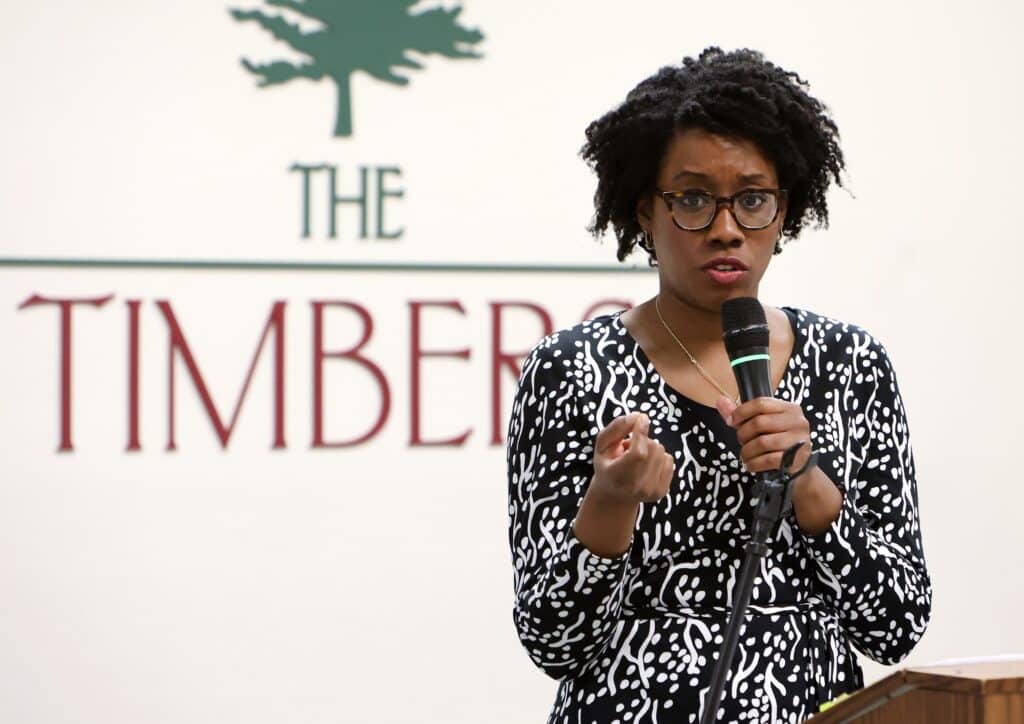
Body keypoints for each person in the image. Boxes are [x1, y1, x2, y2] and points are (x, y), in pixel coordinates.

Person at [505, 47, 932, 723]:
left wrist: (812, 487)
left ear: (786, 209)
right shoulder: (571, 369)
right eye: (694, 198)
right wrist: (611, 503)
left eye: (753, 199)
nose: (727, 229)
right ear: (644, 209)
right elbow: (553, 639)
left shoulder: (851, 363)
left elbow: (896, 624)